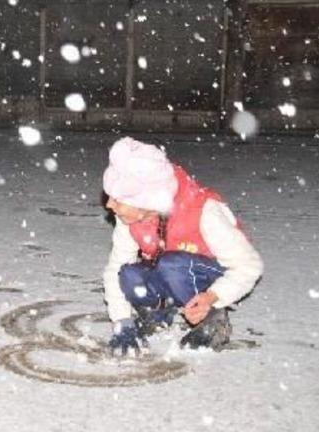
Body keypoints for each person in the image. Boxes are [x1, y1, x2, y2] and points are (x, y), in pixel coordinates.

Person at [101, 137, 263, 354]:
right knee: (129, 275)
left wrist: (213, 297)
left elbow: (250, 266)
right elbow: (115, 268)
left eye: (117, 199)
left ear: (144, 202)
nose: (109, 205)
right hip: (170, 267)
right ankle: (157, 314)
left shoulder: (204, 212)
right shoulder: (130, 218)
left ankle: (212, 320)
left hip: (210, 274)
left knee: (172, 265)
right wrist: (122, 323)